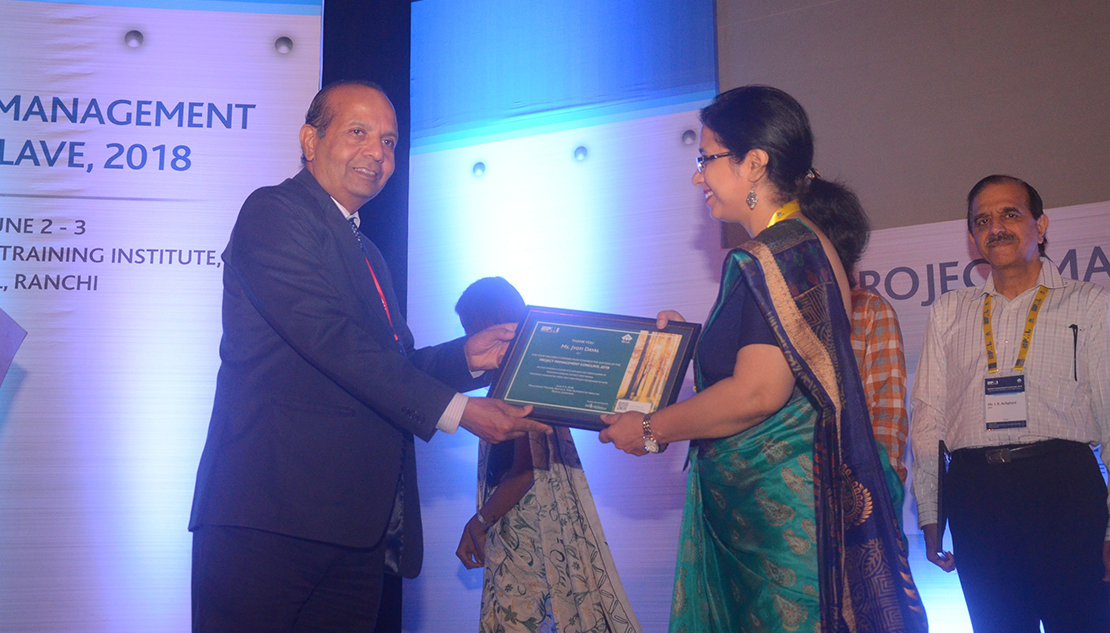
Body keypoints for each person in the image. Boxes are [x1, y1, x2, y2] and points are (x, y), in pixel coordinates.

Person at [188, 81, 549, 633]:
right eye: (358, 132)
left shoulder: (368, 251)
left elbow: (386, 366)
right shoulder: (273, 212)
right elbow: (331, 341)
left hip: (355, 531)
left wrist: (467, 358)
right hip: (269, 520)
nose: (377, 153)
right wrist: (459, 411)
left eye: (389, 141)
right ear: (311, 140)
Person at [599, 85, 926, 633]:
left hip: (777, 530)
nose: (698, 177)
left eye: (706, 159)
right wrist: (687, 344)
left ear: (753, 163)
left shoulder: (774, 254)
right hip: (786, 514)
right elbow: (780, 368)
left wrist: (651, 428)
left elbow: (759, 392)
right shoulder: (806, 244)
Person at [910, 174, 1110, 632]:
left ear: (1041, 225)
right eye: (982, 220)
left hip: (1064, 487)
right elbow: (929, 418)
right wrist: (931, 514)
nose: (996, 227)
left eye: (1010, 214)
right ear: (972, 237)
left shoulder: (1089, 304)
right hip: (977, 494)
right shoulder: (949, 311)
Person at [453, 277, 643, 633]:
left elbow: (525, 471)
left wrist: (479, 521)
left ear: (485, 325)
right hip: (526, 520)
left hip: (526, 526)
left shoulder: (522, 382)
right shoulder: (528, 373)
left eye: (468, 329)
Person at [850, 285, 910, 487]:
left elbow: (886, 412)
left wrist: (884, 488)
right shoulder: (771, 309)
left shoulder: (868, 309)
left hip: (849, 480)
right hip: (773, 472)